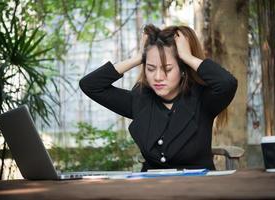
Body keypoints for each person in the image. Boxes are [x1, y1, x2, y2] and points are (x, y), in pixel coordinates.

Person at [79, 24, 238, 172]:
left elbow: (227, 83)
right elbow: (90, 85)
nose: (158, 77)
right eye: (151, 68)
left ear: (183, 69)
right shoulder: (141, 99)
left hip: (198, 186)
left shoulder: (203, 99)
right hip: (150, 188)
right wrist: (139, 57)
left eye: (167, 69)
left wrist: (187, 57)